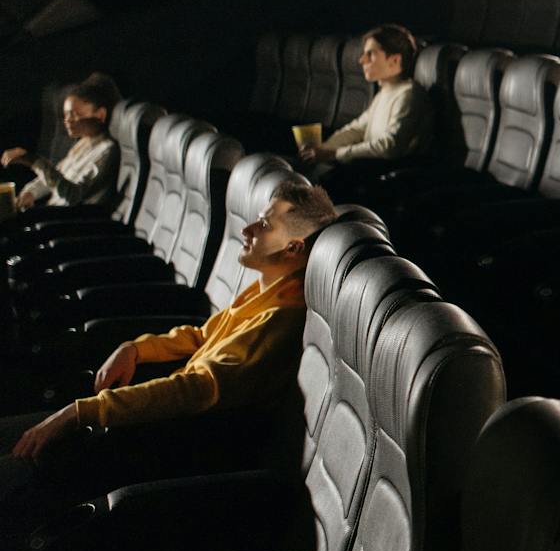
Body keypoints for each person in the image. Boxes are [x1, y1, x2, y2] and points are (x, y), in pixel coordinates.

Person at [4, 182, 338, 483]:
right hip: (155, 422)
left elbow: (196, 389)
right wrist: (135, 349)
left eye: (264, 225)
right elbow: (202, 336)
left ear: (293, 248)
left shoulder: (278, 318)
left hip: (171, 447)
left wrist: (82, 412)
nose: (247, 228)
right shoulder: (267, 290)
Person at [300, 24, 433, 168]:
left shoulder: (408, 94)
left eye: (370, 54)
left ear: (395, 60)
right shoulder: (385, 92)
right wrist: (323, 149)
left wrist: (335, 153)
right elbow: (357, 129)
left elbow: (390, 146)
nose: (361, 60)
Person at [1, 73, 122, 212]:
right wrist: (31, 192)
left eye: (75, 114)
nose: (67, 120)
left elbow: (73, 195)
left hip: (69, 222)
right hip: (53, 214)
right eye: (65, 115)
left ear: (100, 114)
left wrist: (33, 161)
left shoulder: (107, 151)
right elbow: (58, 176)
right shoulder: (84, 142)